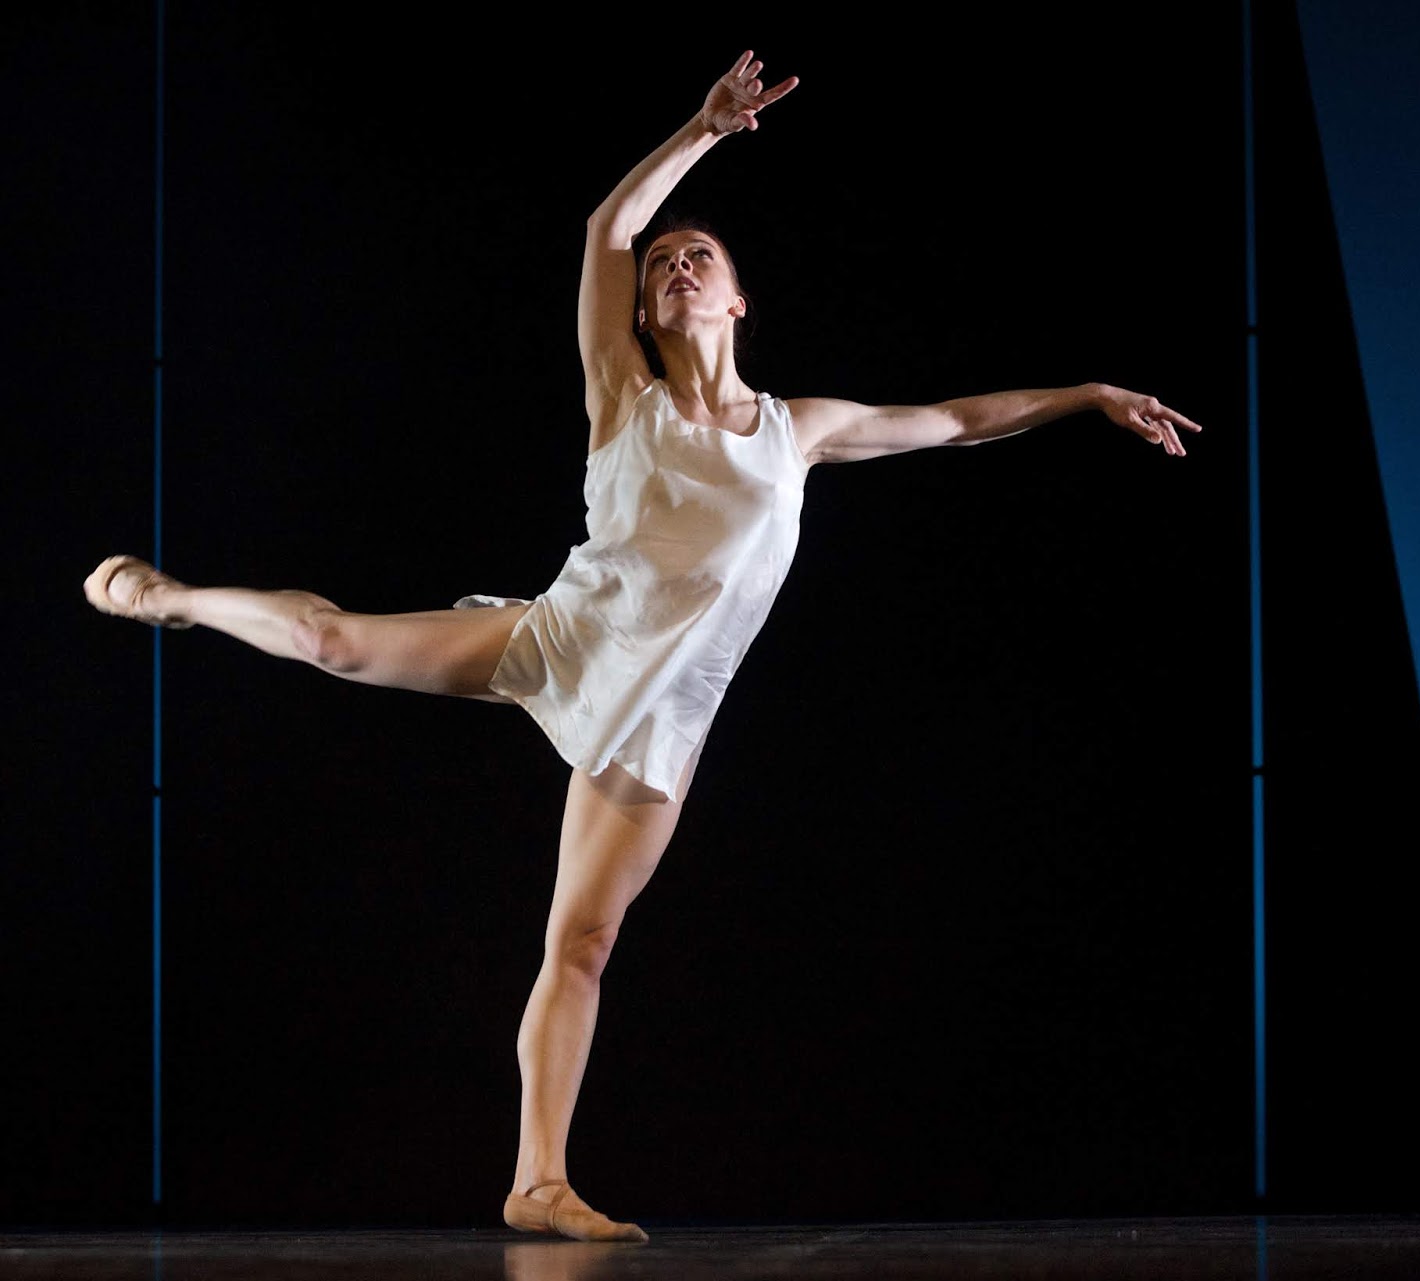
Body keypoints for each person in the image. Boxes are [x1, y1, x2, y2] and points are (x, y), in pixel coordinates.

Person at [83, 50, 1203, 1243]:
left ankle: (536, 1183)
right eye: (665, 263)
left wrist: (1088, 393)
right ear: (644, 309)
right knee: (332, 641)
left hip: (663, 717)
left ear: (736, 302)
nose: (676, 265)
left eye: (698, 257)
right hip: (567, 638)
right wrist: (705, 129)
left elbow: (957, 422)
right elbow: (607, 229)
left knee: (582, 942)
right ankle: (177, 600)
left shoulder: (797, 432)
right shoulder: (623, 391)